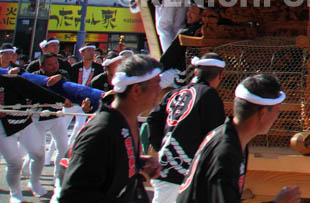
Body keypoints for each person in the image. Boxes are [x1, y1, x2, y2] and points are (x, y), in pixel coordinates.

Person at [54, 54, 163, 202]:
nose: (160, 92)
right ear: (136, 90)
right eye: (156, 85)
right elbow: (75, 195)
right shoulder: (102, 132)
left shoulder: (126, 122)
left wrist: (138, 164)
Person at [178, 73, 300, 203]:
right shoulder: (226, 153)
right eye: (277, 109)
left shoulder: (233, 138)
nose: (278, 114)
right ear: (263, 113)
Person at [148, 53, 227, 203]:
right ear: (220, 75)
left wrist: (162, 146)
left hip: (165, 166)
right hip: (187, 173)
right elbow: (216, 135)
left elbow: (153, 118)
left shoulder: (174, 93)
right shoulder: (210, 95)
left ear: (196, 72)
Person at [0, 73, 61, 201]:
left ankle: (34, 182)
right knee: (15, 163)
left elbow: (40, 93)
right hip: (2, 127)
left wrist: (63, 101)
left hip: (25, 123)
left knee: (39, 154)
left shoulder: (15, 80)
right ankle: (15, 195)